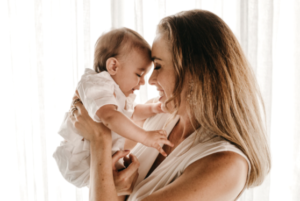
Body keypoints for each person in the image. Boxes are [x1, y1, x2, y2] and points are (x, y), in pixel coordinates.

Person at [67, 9, 271, 201]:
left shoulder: (227, 165)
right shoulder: (155, 116)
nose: (150, 80)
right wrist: (117, 188)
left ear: (194, 71)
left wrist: (100, 138)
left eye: (158, 66)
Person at [53, 27, 173, 188]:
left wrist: (153, 109)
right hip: (81, 157)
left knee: (126, 182)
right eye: (139, 74)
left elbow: (129, 113)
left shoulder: (116, 93)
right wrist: (145, 137)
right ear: (113, 66)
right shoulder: (96, 83)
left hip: (101, 154)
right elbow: (110, 117)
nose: (144, 82)